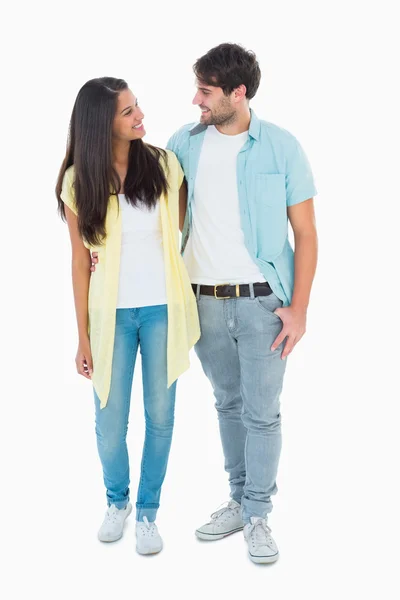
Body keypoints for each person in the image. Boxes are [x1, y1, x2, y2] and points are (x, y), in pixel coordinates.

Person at [92, 43, 318, 564]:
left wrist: (299, 308)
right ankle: (239, 499)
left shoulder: (282, 147)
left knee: (263, 414)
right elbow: (146, 205)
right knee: (228, 405)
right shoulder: (181, 145)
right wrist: (102, 251)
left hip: (265, 303)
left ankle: (259, 514)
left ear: (237, 94)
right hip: (202, 303)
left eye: (206, 91)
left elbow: (305, 233)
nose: (196, 100)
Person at [56, 77, 200, 556]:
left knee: (161, 417)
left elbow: (181, 228)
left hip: (162, 309)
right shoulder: (79, 181)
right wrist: (82, 334)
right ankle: (116, 502)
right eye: (127, 112)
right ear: (102, 124)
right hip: (110, 317)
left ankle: (147, 513)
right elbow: (81, 262)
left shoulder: (163, 164)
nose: (140, 116)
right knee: (110, 421)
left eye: (137, 106)